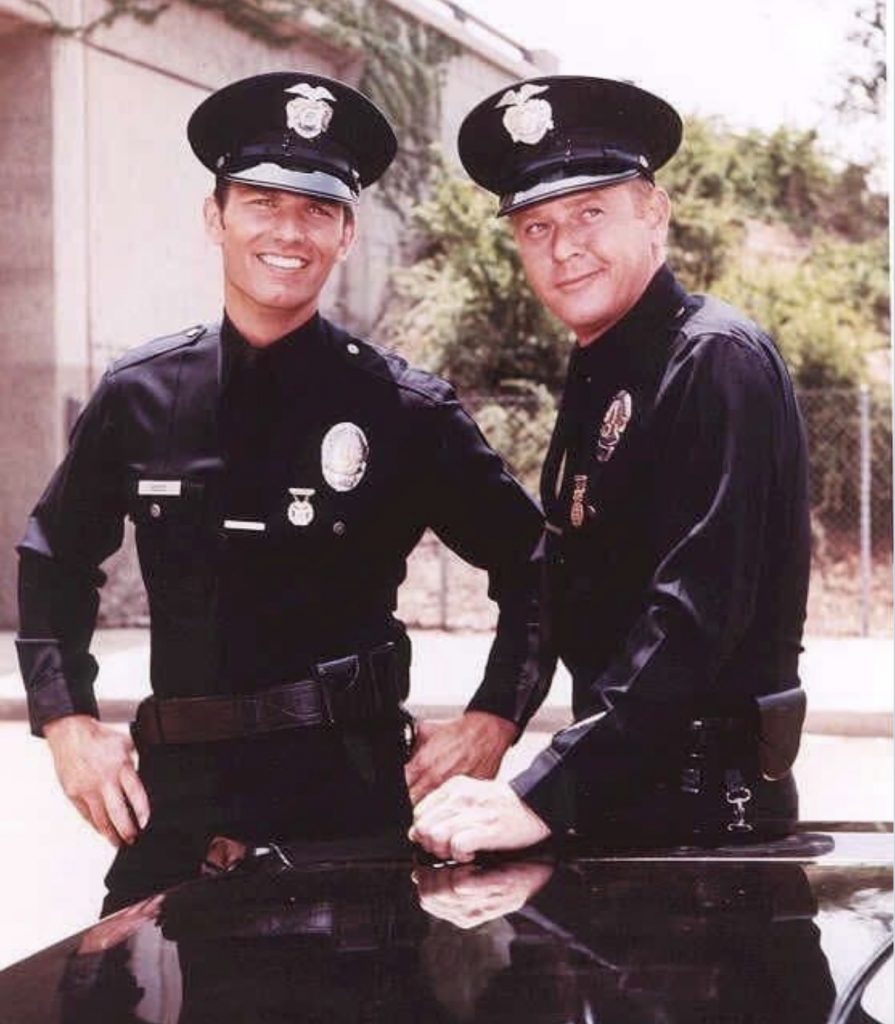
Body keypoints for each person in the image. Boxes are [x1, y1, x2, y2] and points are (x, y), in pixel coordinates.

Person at [14, 72, 550, 896]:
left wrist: (495, 715)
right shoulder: (140, 393)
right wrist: (66, 720)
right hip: (179, 808)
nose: (287, 232)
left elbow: (536, 562)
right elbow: (54, 557)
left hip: (348, 805)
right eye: (262, 202)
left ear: (344, 235)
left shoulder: (403, 409)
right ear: (215, 216)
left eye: (316, 210)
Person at [411, 75, 811, 861]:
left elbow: (692, 616)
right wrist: (498, 717)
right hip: (625, 798)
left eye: (590, 212)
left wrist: (540, 791)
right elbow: (560, 574)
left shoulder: (712, 361)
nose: (563, 248)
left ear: (653, 213)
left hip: (707, 819)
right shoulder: (605, 369)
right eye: (535, 227)